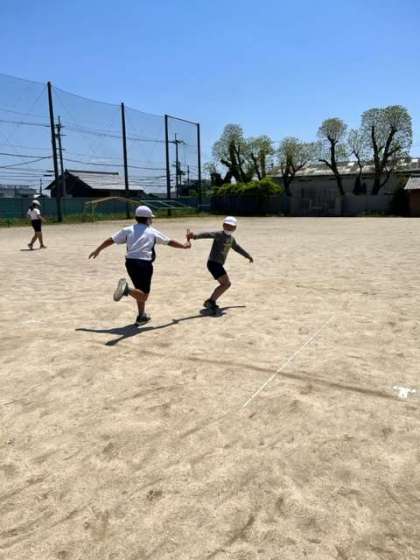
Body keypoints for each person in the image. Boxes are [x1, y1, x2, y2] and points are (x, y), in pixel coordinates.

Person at [88, 205, 191, 325]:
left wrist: (98, 249)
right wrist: (184, 246)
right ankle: (126, 289)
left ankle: (141, 316)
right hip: (144, 264)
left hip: (130, 263)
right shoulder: (152, 231)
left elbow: (111, 239)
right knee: (144, 296)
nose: (152, 220)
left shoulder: (128, 229)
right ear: (147, 219)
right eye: (151, 218)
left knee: (139, 290)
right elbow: (170, 242)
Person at [186, 216, 253, 313]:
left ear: (235, 228)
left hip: (218, 264)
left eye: (232, 226)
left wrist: (247, 255)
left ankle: (210, 301)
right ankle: (210, 301)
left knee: (226, 284)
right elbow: (207, 234)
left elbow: (237, 248)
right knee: (226, 284)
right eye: (227, 225)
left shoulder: (231, 239)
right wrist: (195, 236)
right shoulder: (219, 234)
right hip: (213, 263)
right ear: (223, 225)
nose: (229, 227)